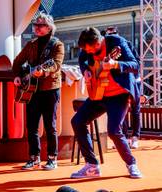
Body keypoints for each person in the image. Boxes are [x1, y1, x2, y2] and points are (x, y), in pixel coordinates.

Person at [71, 27, 142, 179]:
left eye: (90, 49)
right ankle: (92, 165)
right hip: (98, 94)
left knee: (113, 130)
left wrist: (116, 65)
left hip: (118, 95)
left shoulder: (117, 43)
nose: (88, 52)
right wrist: (85, 71)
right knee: (77, 121)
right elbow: (81, 58)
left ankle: (131, 164)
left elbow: (135, 65)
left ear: (98, 43)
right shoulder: (87, 48)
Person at [12, 12, 64, 170]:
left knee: (50, 125)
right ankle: (34, 158)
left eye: (40, 25)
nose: (36, 27)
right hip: (32, 90)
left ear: (49, 28)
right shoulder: (31, 44)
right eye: (35, 24)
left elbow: (56, 64)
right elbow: (17, 62)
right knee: (32, 126)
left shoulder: (57, 44)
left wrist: (44, 72)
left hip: (50, 89)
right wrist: (18, 76)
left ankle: (52, 158)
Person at [106, 26, 141, 149]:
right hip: (120, 84)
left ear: (117, 33)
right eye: (109, 33)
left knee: (135, 109)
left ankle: (135, 137)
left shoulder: (127, 44)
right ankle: (124, 137)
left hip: (133, 81)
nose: (111, 35)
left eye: (113, 33)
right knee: (122, 111)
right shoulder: (106, 46)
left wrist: (135, 78)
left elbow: (136, 63)